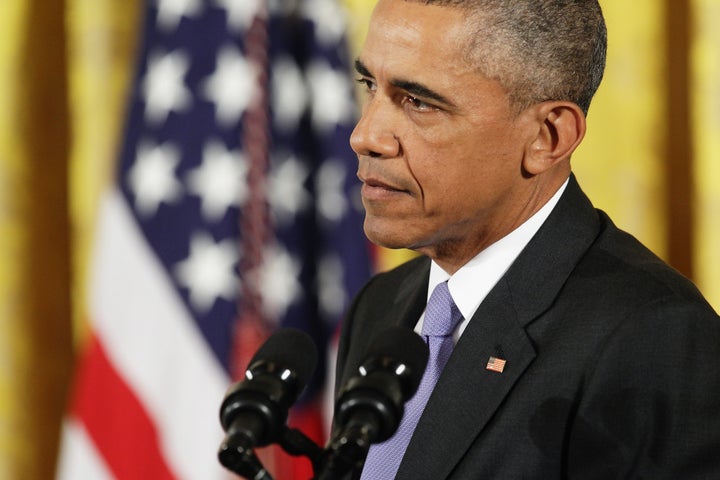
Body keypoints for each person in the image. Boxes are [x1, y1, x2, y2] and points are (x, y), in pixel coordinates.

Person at [333, 0, 720, 479]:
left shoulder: (652, 337)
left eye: (419, 102)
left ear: (549, 137)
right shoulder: (383, 305)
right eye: (369, 85)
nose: (365, 135)